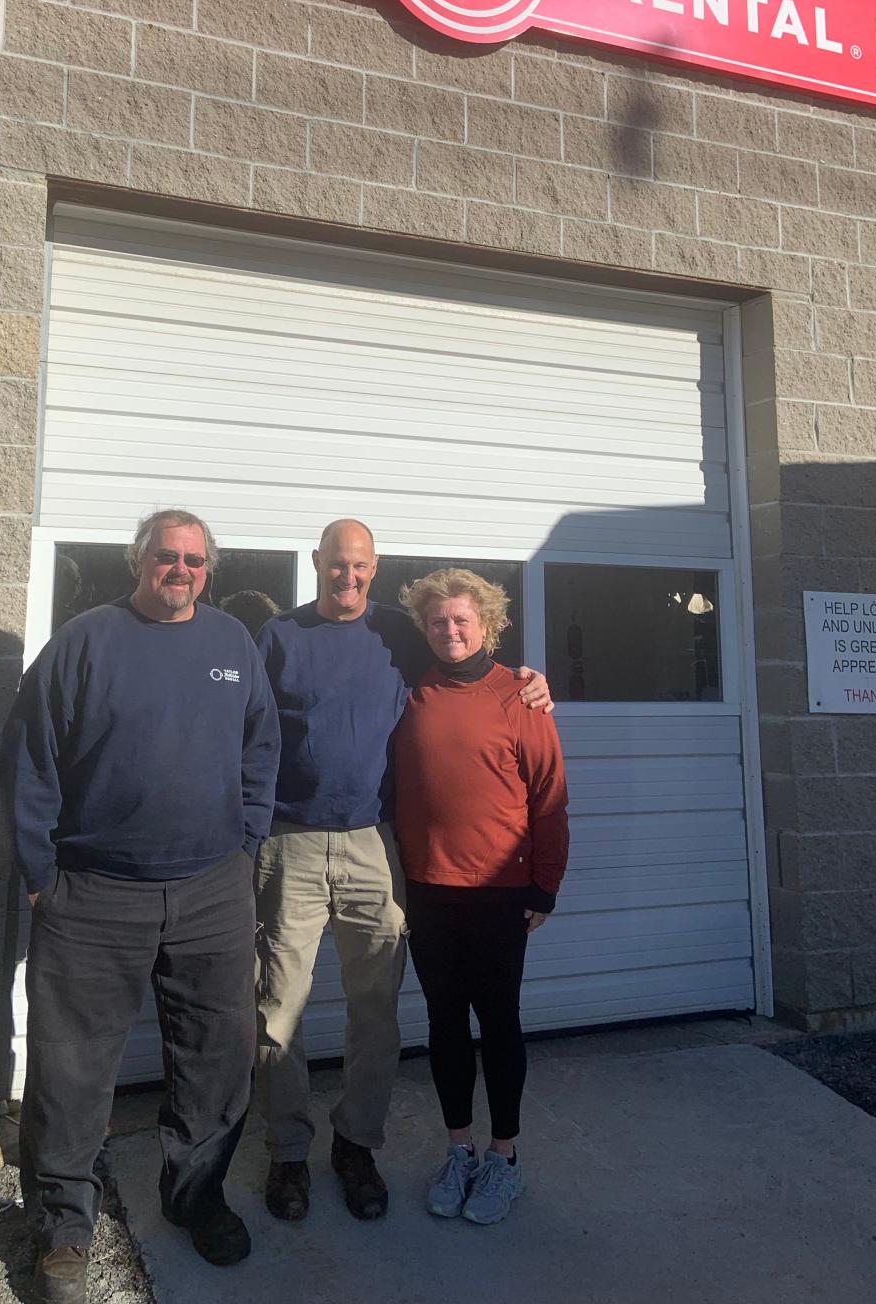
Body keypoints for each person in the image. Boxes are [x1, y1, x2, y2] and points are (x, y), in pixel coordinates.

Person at [0, 508, 281, 1303]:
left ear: (208, 570)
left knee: (216, 1054)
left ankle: (195, 1195)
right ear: (138, 560)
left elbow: (262, 745)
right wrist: (39, 872)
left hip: (212, 890)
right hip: (94, 891)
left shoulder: (232, 644)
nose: (181, 570)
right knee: (72, 1065)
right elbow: (29, 761)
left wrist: (246, 842)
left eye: (195, 560)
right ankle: (63, 1227)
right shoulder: (86, 640)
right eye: (167, 556)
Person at [253, 520, 551, 1225]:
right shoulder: (278, 638)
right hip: (289, 842)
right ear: (317, 561)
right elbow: (243, 729)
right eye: (335, 564)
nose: (347, 577)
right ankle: (288, 1150)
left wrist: (530, 683)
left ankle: (357, 1145)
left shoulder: (401, 633)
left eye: (359, 566)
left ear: (374, 566)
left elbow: (469, 659)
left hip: (373, 846)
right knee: (276, 1013)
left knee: (375, 1013)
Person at [393, 568, 569, 1226]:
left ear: (487, 623)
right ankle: (459, 1149)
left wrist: (544, 885)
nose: (449, 630)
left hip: (499, 894)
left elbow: (549, 799)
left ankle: (505, 1157)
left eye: (462, 619)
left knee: (498, 1023)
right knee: (443, 1024)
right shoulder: (410, 691)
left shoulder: (521, 698)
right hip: (428, 891)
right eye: (438, 621)